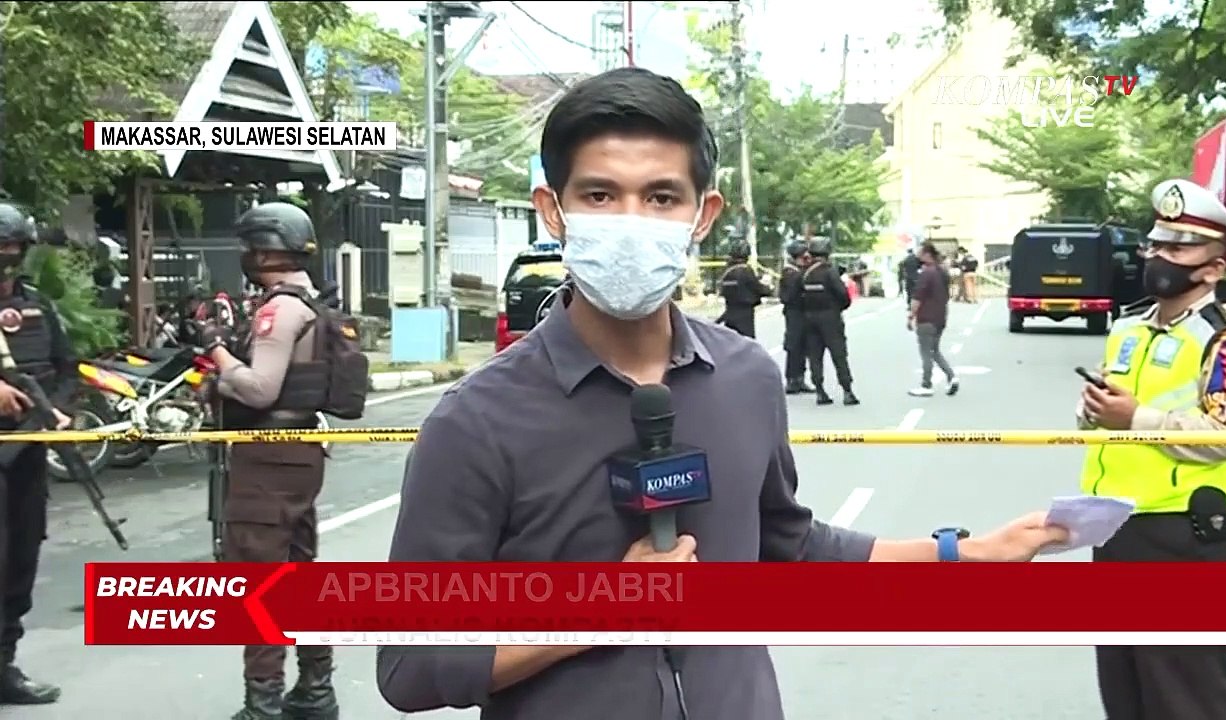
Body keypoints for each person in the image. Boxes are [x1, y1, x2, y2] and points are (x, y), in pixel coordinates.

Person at [378, 67, 1070, 720]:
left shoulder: (747, 377)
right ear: (552, 211)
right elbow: (410, 664)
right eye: (599, 195)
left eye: (660, 197)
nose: (631, 220)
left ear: (702, 214)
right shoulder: (476, 422)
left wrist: (964, 553)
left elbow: (785, 546)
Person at [1077, 178, 1226, 720]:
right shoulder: (1129, 330)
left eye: (1179, 248)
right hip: (1115, 525)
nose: (1161, 256)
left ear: (1213, 268)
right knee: (1127, 685)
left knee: (1189, 692)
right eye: (1156, 243)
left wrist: (1135, 417)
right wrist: (1095, 410)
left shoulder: (1225, 342)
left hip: (1183, 535)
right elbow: (1109, 418)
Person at [199, 202, 340, 720]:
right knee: (299, 574)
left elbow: (261, 389)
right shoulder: (310, 301)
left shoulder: (277, 310)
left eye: (247, 248)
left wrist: (216, 350)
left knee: (260, 580)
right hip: (297, 455)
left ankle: (263, 705)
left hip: (268, 458)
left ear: (262, 250)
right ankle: (315, 690)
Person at [0, 204, 69, 707]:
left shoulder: (38, 306)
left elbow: (68, 368)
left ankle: (3, 667)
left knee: (19, 562)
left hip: (26, 455)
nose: (6, 263)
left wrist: (57, 411)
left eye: (12, 253)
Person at [800, 238, 860, 406]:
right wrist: (838, 308)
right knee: (839, 355)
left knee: (815, 356)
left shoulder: (805, 274)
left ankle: (820, 390)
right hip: (830, 318)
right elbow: (843, 295)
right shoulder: (829, 272)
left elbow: (798, 296)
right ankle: (847, 391)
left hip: (810, 318)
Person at [908, 242, 959, 397]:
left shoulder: (926, 273)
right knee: (935, 350)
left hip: (926, 318)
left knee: (926, 352)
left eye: (920, 253)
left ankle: (926, 384)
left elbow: (918, 296)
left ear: (927, 254)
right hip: (940, 316)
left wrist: (911, 316)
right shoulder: (942, 272)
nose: (918, 256)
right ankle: (951, 376)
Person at [779, 239, 813, 394]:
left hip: (803, 312)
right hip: (794, 313)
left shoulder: (799, 271)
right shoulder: (791, 273)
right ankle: (792, 379)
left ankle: (800, 378)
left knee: (803, 345)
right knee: (794, 345)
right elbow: (789, 296)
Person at [715, 241, 770, 338]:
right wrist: (768, 287)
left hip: (729, 312)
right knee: (747, 345)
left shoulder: (727, 271)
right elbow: (758, 288)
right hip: (745, 314)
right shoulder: (746, 270)